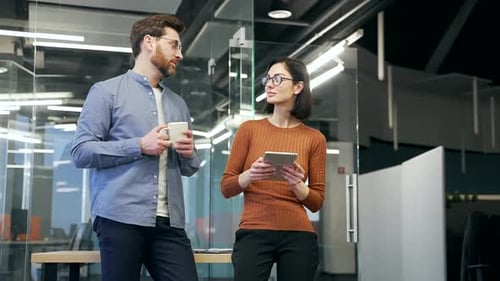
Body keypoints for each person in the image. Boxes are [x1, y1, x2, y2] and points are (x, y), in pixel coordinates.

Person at [71, 14, 200, 281]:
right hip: (120, 219)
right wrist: (139, 146)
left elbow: (189, 168)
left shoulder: (178, 104)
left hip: (169, 223)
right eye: (174, 45)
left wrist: (188, 155)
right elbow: (81, 152)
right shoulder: (106, 92)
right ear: (149, 42)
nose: (180, 54)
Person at [220, 57, 327, 281]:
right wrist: (251, 175)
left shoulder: (314, 138)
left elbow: (316, 202)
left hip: (298, 233)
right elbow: (226, 187)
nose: (269, 84)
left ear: (298, 87)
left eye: (278, 79)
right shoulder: (248, 130)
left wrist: (297, 185)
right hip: (254, 230)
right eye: (267, 79)